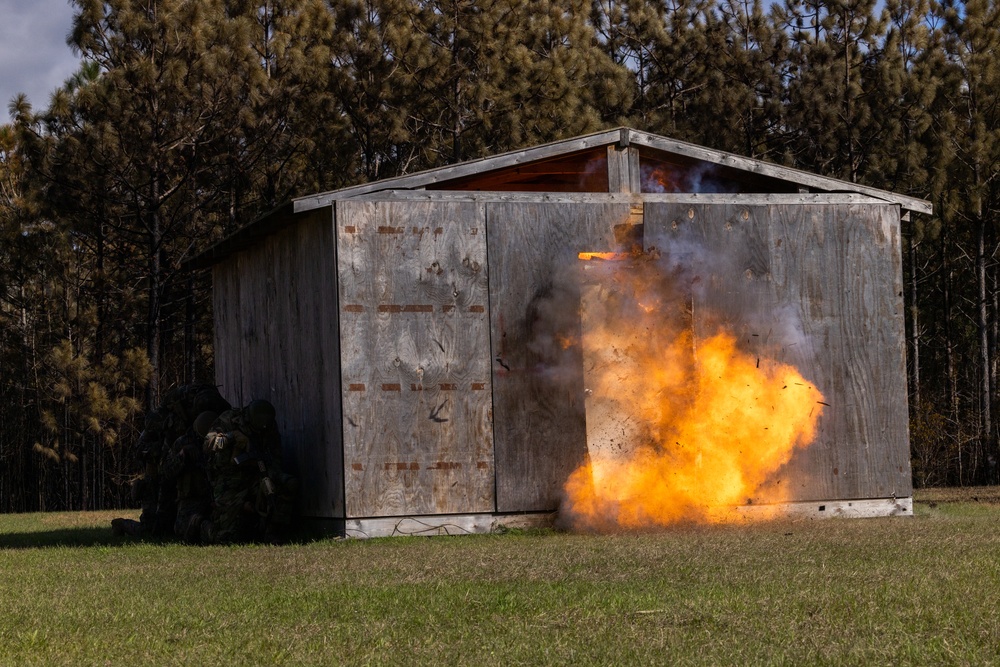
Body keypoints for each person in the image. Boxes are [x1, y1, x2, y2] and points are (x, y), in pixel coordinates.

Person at [111, 384, 231, 538]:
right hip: (159, 476)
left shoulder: (209, 420)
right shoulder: (165, 426)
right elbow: (162, 468)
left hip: (193, 487)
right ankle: (121, 524)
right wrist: (180, 455)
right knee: (154, 530)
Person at [201, 399, 297, 544]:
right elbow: (208, 444)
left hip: (256, 475)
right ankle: (199, 523)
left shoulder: (268, 426)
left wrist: (270, 477)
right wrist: (231, 437)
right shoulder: (229, 419)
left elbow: (276, 455)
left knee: (287, 484)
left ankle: (272, 533)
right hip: (229, 482)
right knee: (226, 539)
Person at [161, 411, 217, 543]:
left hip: (216, 496)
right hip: (192, 498)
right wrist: (182, 455)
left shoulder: (220, 441)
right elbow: (167, 471)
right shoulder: (183, 442)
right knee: (183, 529)